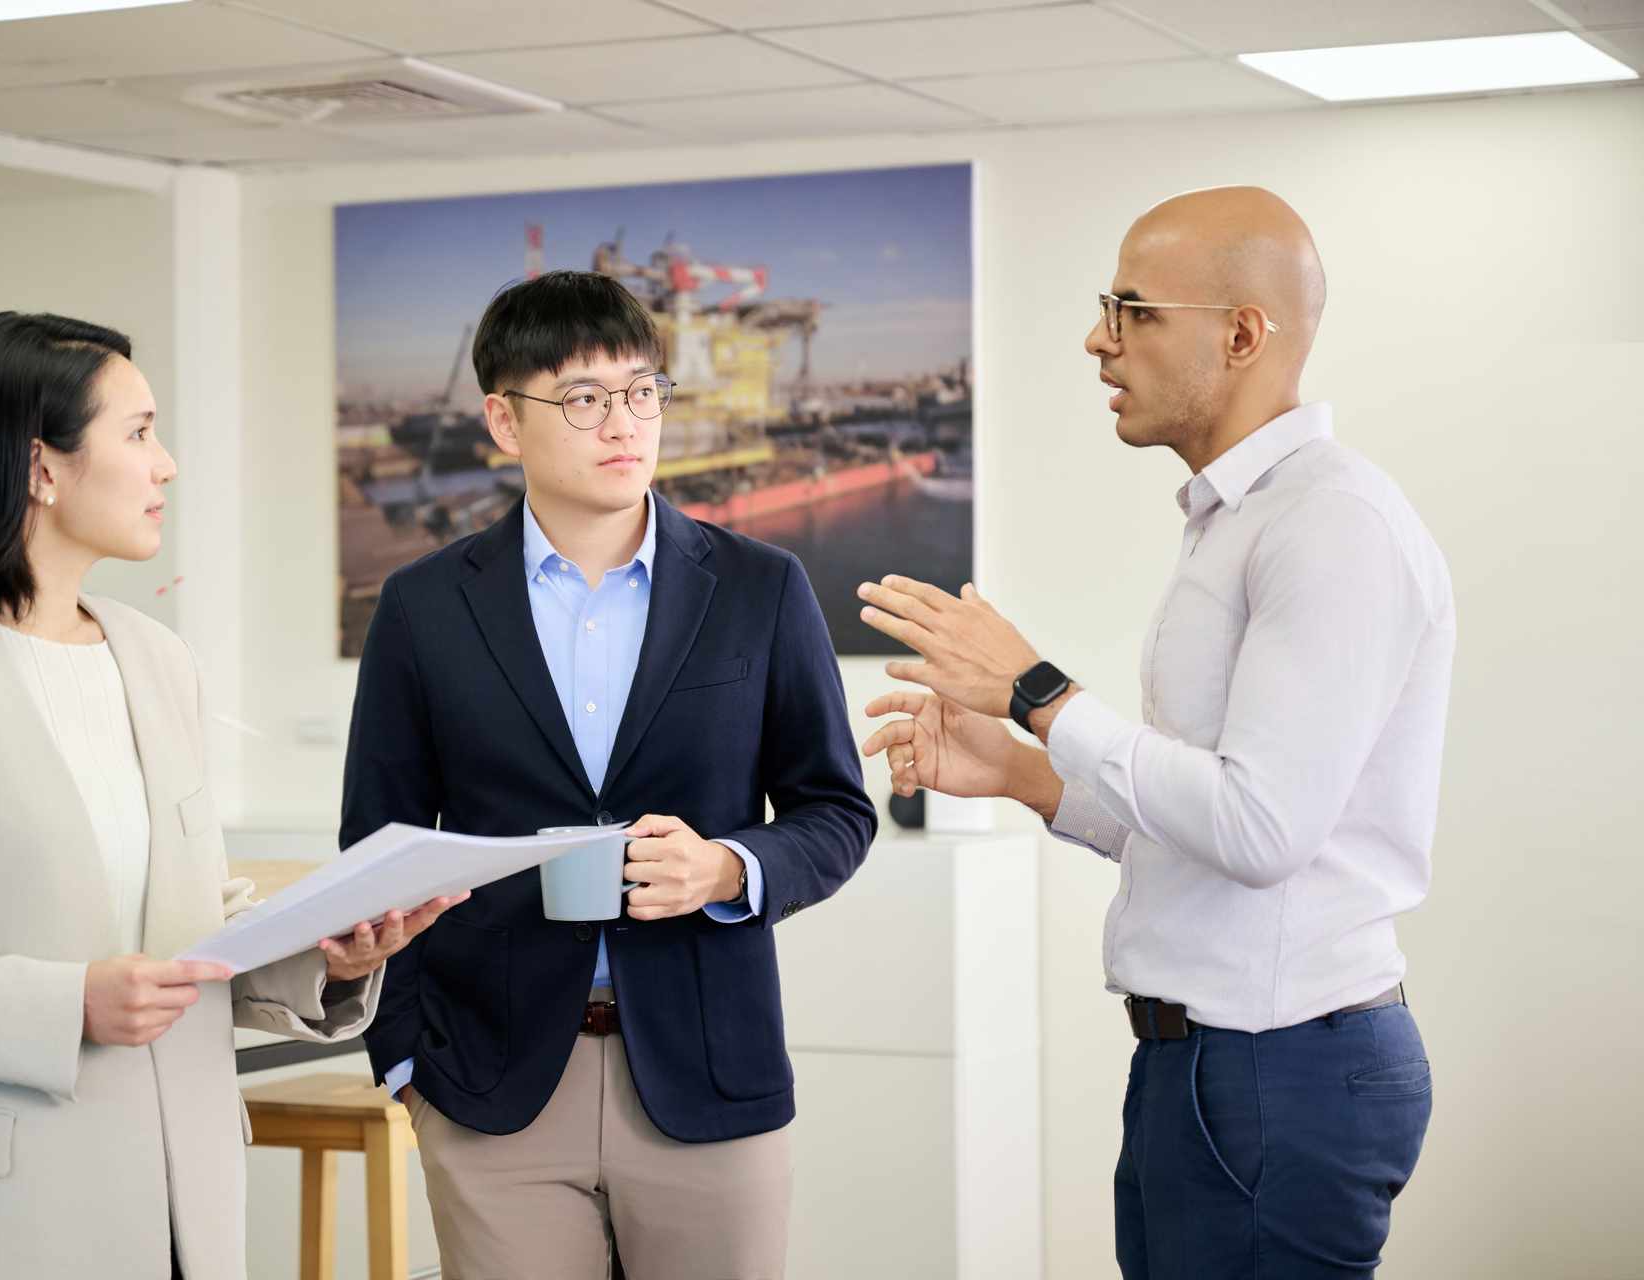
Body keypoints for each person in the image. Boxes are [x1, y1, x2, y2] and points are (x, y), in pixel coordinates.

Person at [0, 311, 461, 1280]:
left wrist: (329, 961)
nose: (166, 463)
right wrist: (64, 1004)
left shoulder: (156, 657)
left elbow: (183, 926)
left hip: (179, 1201)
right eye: (138, 433)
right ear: (40, 466)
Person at [859, 188, 1453, 1279]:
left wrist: (1036, 688)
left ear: (1240, 335)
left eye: (1132, 310)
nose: (1098, 339)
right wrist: (1024, 773)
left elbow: (1261, 828)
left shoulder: (1330, 525)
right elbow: (1205, 828)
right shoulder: (1241, 520)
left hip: (1281, 1070)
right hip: (1212, 1066)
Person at [342, 270, 877, 1280]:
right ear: (505, 419)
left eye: (642, 391)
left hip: (708, 1076)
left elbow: (834, 811)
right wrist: (407, 1058)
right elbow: (382, 846)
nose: (623, 422)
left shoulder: (761, 586)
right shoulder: (422, 606)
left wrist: (727, 866)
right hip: (494, 1087)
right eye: (583, 398)